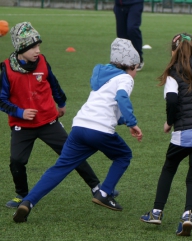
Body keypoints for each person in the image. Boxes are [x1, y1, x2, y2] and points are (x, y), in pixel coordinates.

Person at [13, 37, 143, 223]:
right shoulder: (125, 78)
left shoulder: (104, 75)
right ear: (132, 65)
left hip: (80, 126)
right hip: (99, 129)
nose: (135, 73)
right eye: (136, 68)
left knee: (61, 167)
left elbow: (106, 105)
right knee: (123, 156)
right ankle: (104, 193)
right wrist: (132, 123)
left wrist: (122, 121)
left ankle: (28, 202)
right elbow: (121, 97)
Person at [0, 21, 110, 209]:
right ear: (20, 47)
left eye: (38, 45)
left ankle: (96, 187)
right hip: (22, 126)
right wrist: (20, 112)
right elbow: (2, 100)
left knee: (72, 153)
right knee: (16, 160)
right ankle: (22, 195)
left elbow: (53, 83)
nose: (37, 50)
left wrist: (61, 103)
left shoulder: (42, 61)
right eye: (33, 46)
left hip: (48, 121)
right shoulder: (6, 69)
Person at [140, 33, 192, 236]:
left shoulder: (173, 73)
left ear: (173, 51)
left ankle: (156, 212)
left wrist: (170, 122)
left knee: (169, 168)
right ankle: (188, 215)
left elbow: (171, 100)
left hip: (185, 132)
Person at [113, 0, 144, 71]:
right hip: (119, 4)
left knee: (132, 28)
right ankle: (124, 60)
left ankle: (138, 58)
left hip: (135, 3)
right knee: (121, 34)